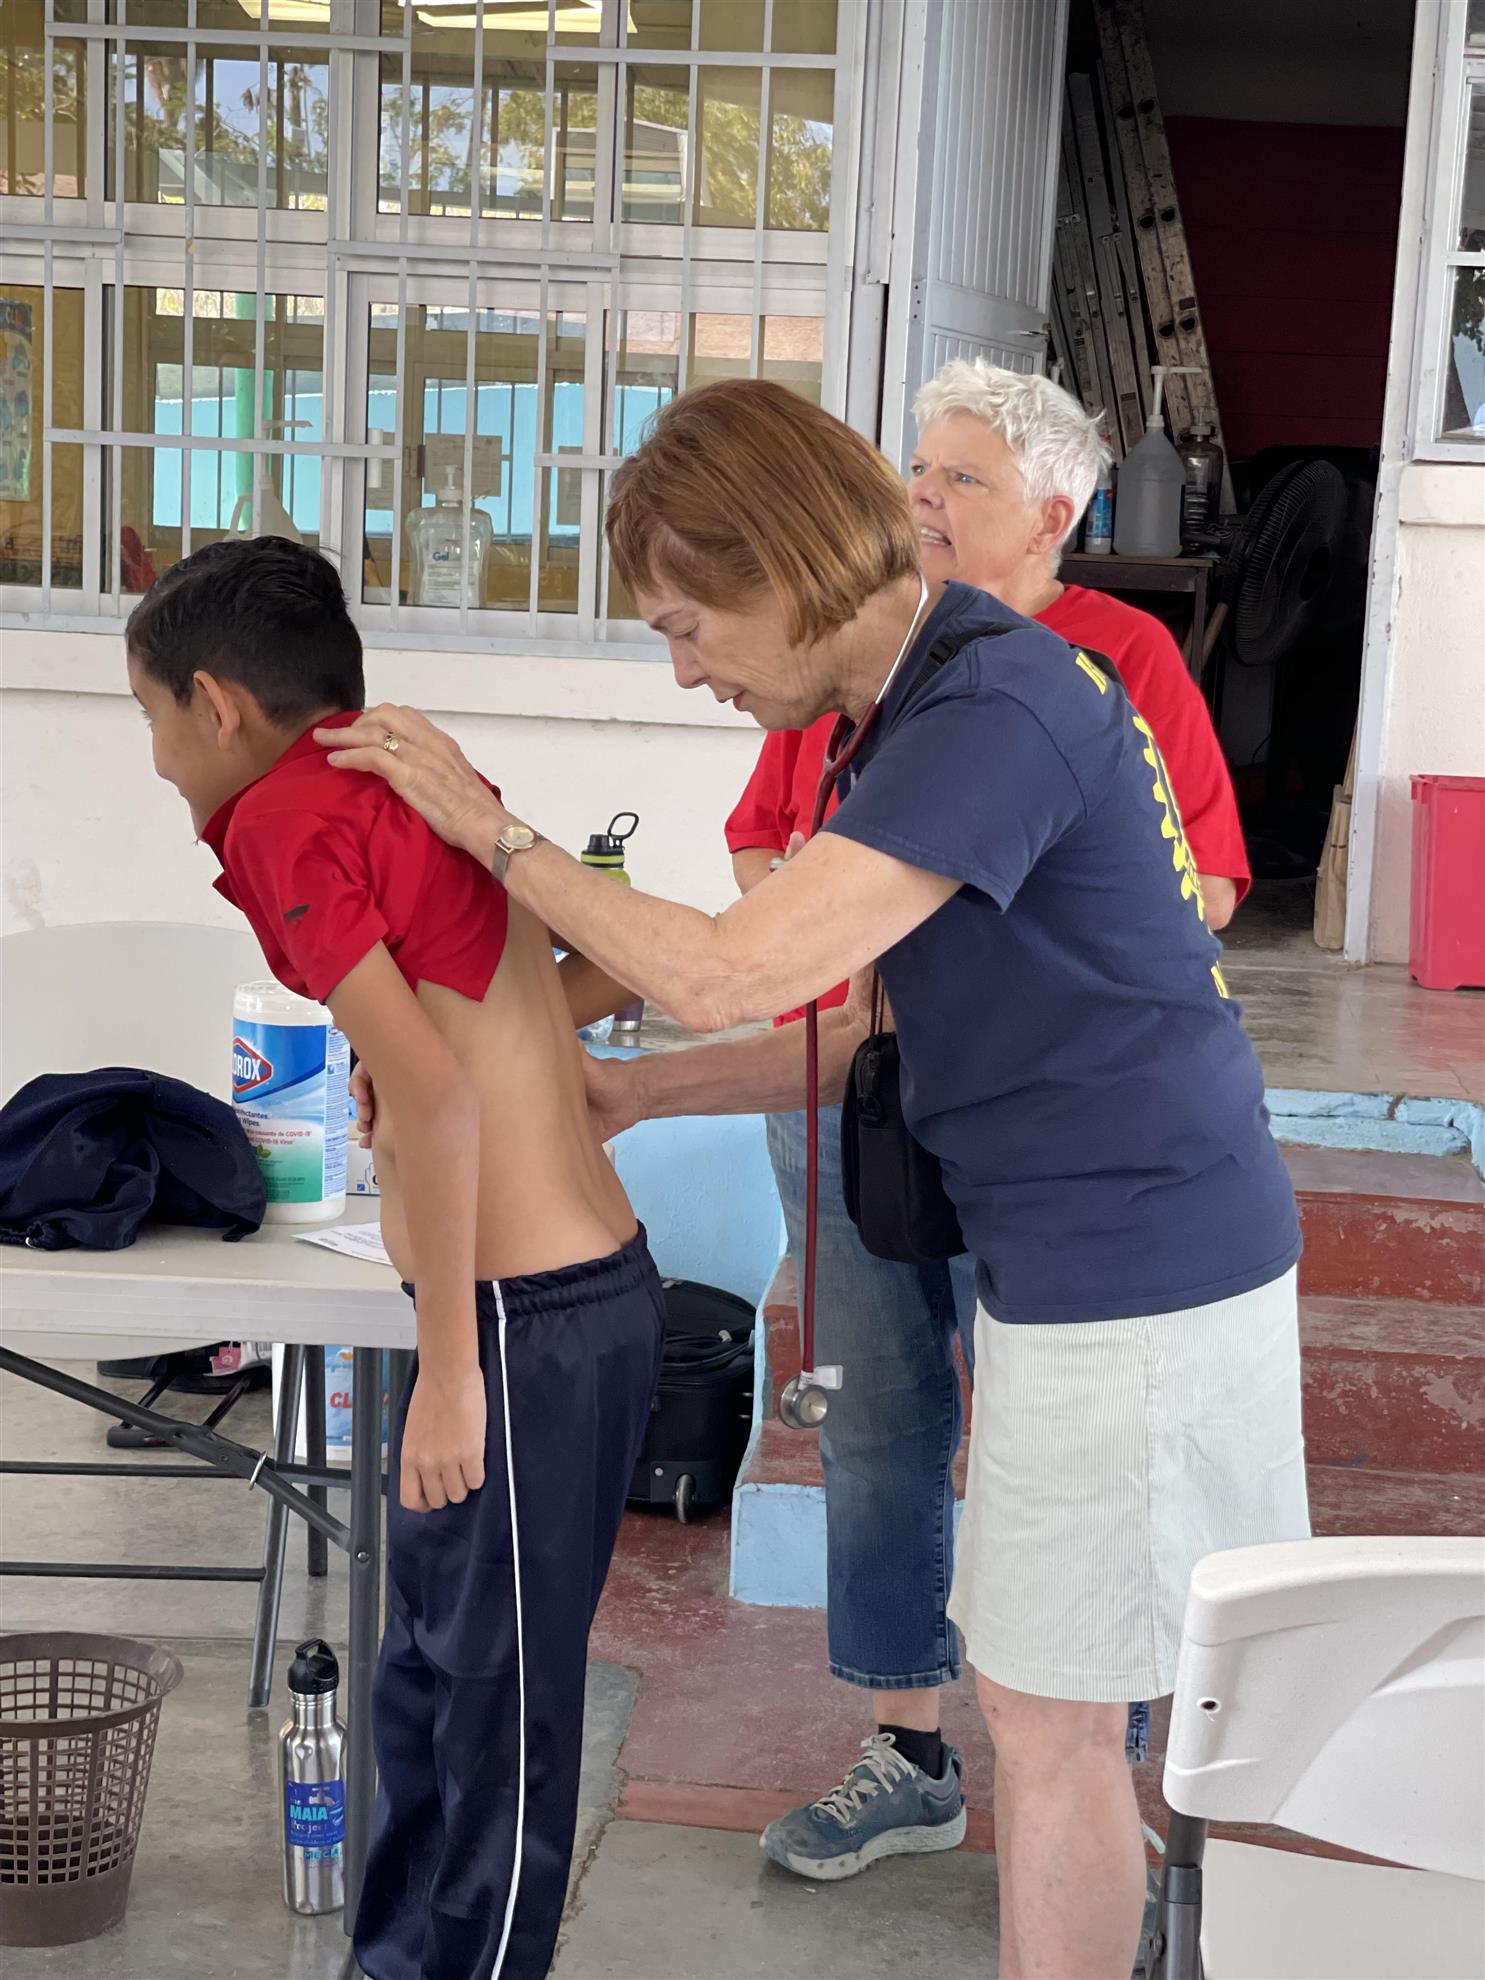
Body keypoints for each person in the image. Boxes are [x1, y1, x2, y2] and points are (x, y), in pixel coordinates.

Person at [317, 378, 1309, 1980]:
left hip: (1136, 1267)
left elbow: (733, 969)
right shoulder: (905, 721)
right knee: (1044, 1701)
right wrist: (629, 1092)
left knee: (1053, 1718)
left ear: (781, 569)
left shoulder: (995, 706)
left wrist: (492, 834)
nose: (684, 670)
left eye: (687, 627)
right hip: (1088, 1257)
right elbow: (863, 1031)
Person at [722, 362, 1251, 1882]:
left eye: (960, 479)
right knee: (879, 1416)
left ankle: (1094, 1785)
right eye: (917, 470)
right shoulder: (864, 646)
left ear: (1054, 514)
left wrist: (932, 927)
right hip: (855, 1092)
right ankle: (906, 1749)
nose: (920, 500)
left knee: (1056, 1440)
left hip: (1032, 1127)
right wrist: (833, 934)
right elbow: (764, 844)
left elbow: (1204, 887)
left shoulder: (1109, 661)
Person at [125, 536, 663, 1980]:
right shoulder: (408, 769)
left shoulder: (281, 817)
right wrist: (422, 1056)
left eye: (152, 717)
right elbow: (582, 974)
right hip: (562, 1303)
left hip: (516, 1325)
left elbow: (442, 1099)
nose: (158, 758)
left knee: (492, 1721)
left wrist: (447, 1374)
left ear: (218, 704)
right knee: (428, 1688)